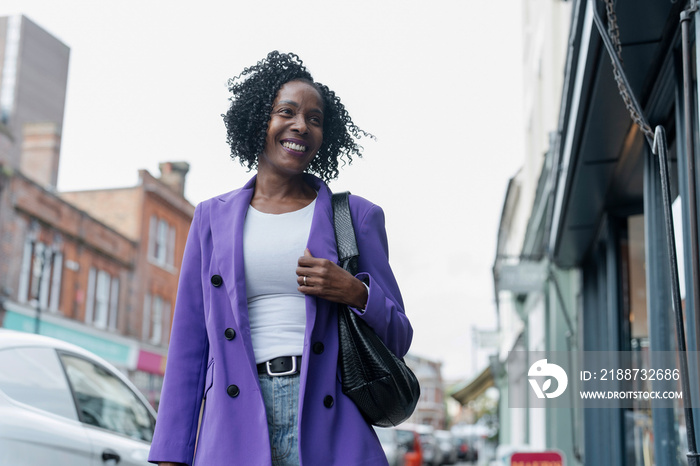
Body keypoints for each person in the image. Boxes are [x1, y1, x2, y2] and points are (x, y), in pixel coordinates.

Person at [148, 51, 413, 466]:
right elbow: (189, 342)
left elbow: (399, 337)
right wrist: (171, 453)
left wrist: (356, 292)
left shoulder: (355, 217)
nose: (300, 126)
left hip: (330, 419)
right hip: (235, 421)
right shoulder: (212, 218)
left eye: (314, 119)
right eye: (286, 112)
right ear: (260, 121)